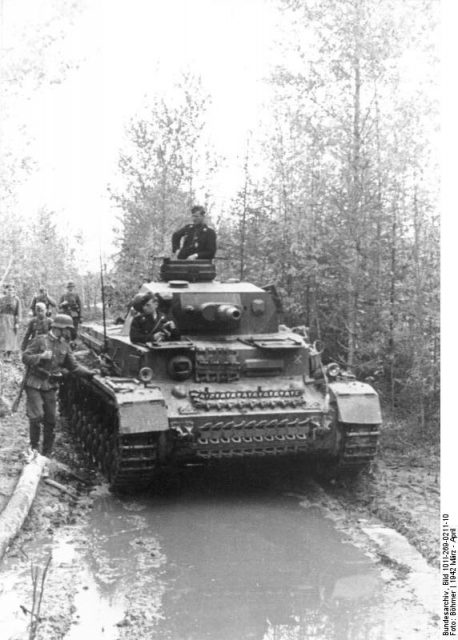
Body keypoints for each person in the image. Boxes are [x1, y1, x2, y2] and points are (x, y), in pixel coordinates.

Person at [22, 314, 96, 456]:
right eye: (67, 329)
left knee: (50, 420)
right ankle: (34, 448)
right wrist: (40, 357)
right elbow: (25, 357)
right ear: (59, 328)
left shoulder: (64, 345)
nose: (69, 332)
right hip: (34, 383)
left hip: (50, 385)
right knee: (37, 416)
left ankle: (46, 454)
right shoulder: (39, 340)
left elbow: (74, 367)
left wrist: (91, 373)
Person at [0, 283, 21, 361]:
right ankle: (4, 354)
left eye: (11, 289)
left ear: (14, 290)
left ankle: (8, 355)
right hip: (2, 320)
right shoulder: (2, 299)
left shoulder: (16, 299)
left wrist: (17, 322)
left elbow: (19, 312)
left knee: (11, 337)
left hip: (12, 320)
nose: (10, 291)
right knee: (3, 337)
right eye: (8, 289)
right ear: (6, 290)